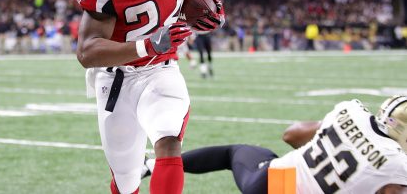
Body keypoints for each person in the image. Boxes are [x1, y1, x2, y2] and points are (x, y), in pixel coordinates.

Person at [74, 0, 224, 194]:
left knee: (168, 140)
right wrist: (147, 46)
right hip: (117, 79)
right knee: (127, 179)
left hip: (162, 70)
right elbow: (87, 51)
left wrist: (201, 1)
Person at [143, 96, 407, 194]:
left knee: (235, 153)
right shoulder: (397, 165)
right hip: (276, 184)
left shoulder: (349, 110)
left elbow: (291, 135)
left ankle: (151, 164)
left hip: (276, 182)